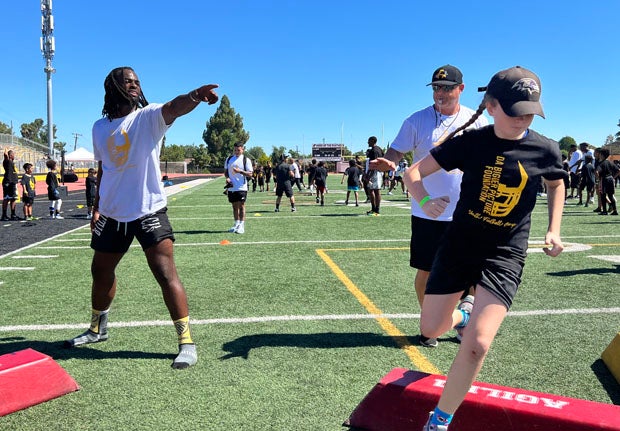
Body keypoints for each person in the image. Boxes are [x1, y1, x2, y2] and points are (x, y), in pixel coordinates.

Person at [401, 66, 566, 431]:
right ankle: (463, 313)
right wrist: (425, 200)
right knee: (432, 327)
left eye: (530, 110)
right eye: (514, 109)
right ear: (490, 105)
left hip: (505, 254)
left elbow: (556, 185)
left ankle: (440, 420)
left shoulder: (546, 149)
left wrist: (554, 229)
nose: (523, 118)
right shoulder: (470, 142)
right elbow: (412, 173)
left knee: (476, 345)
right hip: (459, 246)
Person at [63, 66, 219, 370]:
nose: (134, 86)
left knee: (165, 273)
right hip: (111, 212)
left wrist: (195, 96)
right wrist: (96, 206)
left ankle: (186, 342)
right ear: (113, 88)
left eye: (137, 82)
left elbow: (174, 107)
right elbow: (105, 169)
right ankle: (97, 329)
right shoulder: (99, 127)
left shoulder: (148, 117)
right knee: (100, 271)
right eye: (128, 82)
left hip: (149, 209)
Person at [370, 65, 489, 346]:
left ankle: (465, 322)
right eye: (436, 87)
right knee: (427, 271)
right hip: (427, 210)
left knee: (472, 272)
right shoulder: (417, 120)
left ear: (461, 89)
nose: (441, 93)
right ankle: (429, 325)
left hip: (468, 210)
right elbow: (397, 150)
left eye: (447, 87)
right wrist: (388, 160)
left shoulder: (478, 120)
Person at [224, 142, 253, 234]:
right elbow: (226, 172)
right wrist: (227, 178)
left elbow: (250, 173)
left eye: (238, 150)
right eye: (235, 150)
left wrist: (240, 171)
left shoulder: (246, 160)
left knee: (241, 206)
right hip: (232, 187)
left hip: (242, 187)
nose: (236, 151)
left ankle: (242, 225)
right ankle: (236, 224)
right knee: (234, 206)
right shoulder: (229, 159)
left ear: (242, 149)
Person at [596, 148, 619, 215]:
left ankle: (604, 211)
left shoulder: (601, 163)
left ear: (602, 155)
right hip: (611, 179)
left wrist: (598, 180)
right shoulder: (610, 162)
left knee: (603, 195)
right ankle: (615, 211)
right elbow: (618, 170)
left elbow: (597, 172)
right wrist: (613, 177)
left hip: (604, 179)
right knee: (611, 195)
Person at [364, 136, 384, 215]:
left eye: (369, 141)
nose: (368, 142)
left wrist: (369, 175)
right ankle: (375, 209)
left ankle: (376, 209)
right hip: (378, 171)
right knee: (374, 190)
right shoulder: (379, 149)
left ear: (373, 141)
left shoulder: (374, 150)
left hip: (375, 172)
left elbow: (374, 163)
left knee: (373, 190)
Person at [2, 148, 20, 221]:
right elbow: (5, 155)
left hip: (13, 183)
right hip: (8, 183)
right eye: (13, 155)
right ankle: (4, 215)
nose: (14, 156)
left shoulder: (12, 162)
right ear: (10, 155)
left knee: (13, 199)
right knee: (6, 199)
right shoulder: (7, 161)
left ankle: (13, 214)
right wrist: (5, 150)